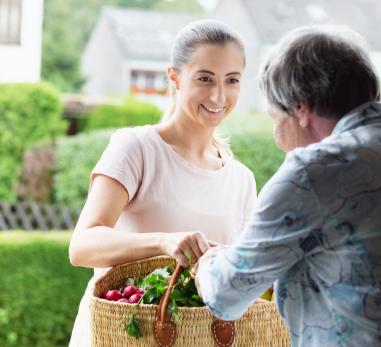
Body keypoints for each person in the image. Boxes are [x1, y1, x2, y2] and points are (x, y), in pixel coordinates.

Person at [195, 26, 381, 346]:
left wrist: (208, 266)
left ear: (301, 108)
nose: (277, 139)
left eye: (276, 119)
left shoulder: (312, 171)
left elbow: (227, 293)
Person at [67, 20, 256, 346]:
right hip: (123, 336)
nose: (218, 95)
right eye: (204, 78)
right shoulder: (136, 148)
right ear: (174, 78)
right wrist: (165, 243)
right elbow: (82, 246)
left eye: (232, 81)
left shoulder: (241, 179)